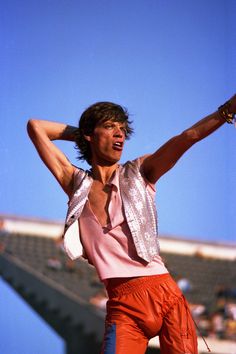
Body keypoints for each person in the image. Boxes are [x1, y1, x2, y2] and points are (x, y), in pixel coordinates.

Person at [27, 95, 236, 354]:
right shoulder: (75, 184)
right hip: (123, 306)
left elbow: (188, 137)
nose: (120, 134)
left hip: (166, 295)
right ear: (91, 134)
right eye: (111, 126)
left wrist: (229, 109)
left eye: (123, 129)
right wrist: (82, 134)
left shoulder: (140, 171)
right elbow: (36, 126)